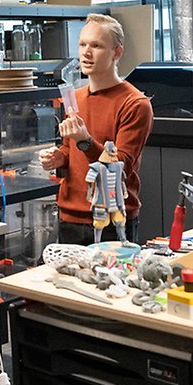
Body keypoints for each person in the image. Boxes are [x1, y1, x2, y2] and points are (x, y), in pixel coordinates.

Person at [39, 13, 153, 245]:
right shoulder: (75, 98)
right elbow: (71, 151)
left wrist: (85, 141)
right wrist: (58, 157)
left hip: (114, 222)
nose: (86, 53)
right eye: (82, 44)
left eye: (97, 46)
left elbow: (120, 169)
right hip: (70, 217)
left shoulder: (135, 104)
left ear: (117, 52)